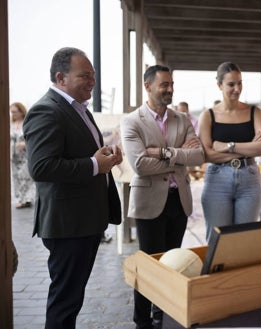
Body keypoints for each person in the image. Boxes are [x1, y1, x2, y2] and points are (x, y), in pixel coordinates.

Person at [22, 47, 122, 329]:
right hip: (68, 226)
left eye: (93, 75)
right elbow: (41, 168)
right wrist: (94, 164)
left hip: (84, 222)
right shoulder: (46, 110)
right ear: (60, 77)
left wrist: (104, 157)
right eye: (85, 75)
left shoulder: (78, 109)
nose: (92, 81)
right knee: (65, 302)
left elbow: (80, 155)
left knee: (72, 299)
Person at [120, 64, 204, 329]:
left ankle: (164, 316)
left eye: (171, 85)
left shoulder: (181, 118)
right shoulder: (132, 121)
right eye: (163, 85)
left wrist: (164, 153)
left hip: (178, 201)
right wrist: (180, 156)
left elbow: (199, 156)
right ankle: (142, 321)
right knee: (148, 265)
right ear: (148, 86)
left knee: (173, 264)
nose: (169, 89)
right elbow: (140, 165)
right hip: (148, 202)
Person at [198, 62, 261, 241]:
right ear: (219, 85)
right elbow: (207, 155)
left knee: (244, 240)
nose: (237, 88)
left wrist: (228, 146)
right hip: (217, 180)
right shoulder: (208, 115)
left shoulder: (255, 112)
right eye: (231, 84)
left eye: (240, 83)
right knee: (217, 239)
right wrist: (248, 149)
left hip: (249, 179)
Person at [10, 102, 35, 208]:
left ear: (21, 111)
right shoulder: (10, 123)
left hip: (26, 154)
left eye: (14, 112)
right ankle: (21, 198)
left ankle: (26, 199)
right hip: (14, 155)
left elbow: (34, 137)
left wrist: (25, 144)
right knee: (16, 177)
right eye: (11, 112)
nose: (13, 114)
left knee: (26, 176)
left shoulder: (27, 122)